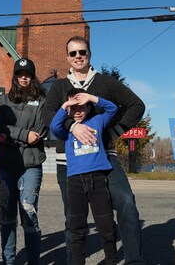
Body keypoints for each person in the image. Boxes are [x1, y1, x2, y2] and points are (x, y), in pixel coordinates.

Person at [42, 36, 146, 264]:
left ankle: (134, 259)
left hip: (105, 158)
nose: (78, 56)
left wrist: (115, 131)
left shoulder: (105, 83)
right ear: (67, 57)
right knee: (73, 217)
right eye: (73, 53)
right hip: (68, 163)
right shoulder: (59, 87)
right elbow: (47, 114)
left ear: (89, 54)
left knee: (126, 203)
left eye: (82, 52)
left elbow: (137, 105)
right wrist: (73, 126)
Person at [50, 89, 119, 265]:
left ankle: (111, 260)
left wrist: (91, 98)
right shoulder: (67, 130)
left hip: (97, 179)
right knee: (77, 228)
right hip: (75, 182)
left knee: (106, 225)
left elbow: (112, 109)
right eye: (73, 108)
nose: (78, 111)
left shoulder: (97, 121)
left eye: (82, 107)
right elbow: (53, 126)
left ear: (89, 108)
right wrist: (65, 105)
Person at [0, 58, 48, 265]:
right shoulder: (3, 100)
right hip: (6, 164)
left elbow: (41, 130)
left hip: (31, 164)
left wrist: (12, 136)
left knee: (28, 211)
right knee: (7, 214)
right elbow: (0, 128)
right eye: (20, 74)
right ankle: (9, 260)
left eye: (28, 74)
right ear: (15, 76)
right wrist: (25, 135)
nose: (24, 77)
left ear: (32, 77)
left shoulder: (41, 100)